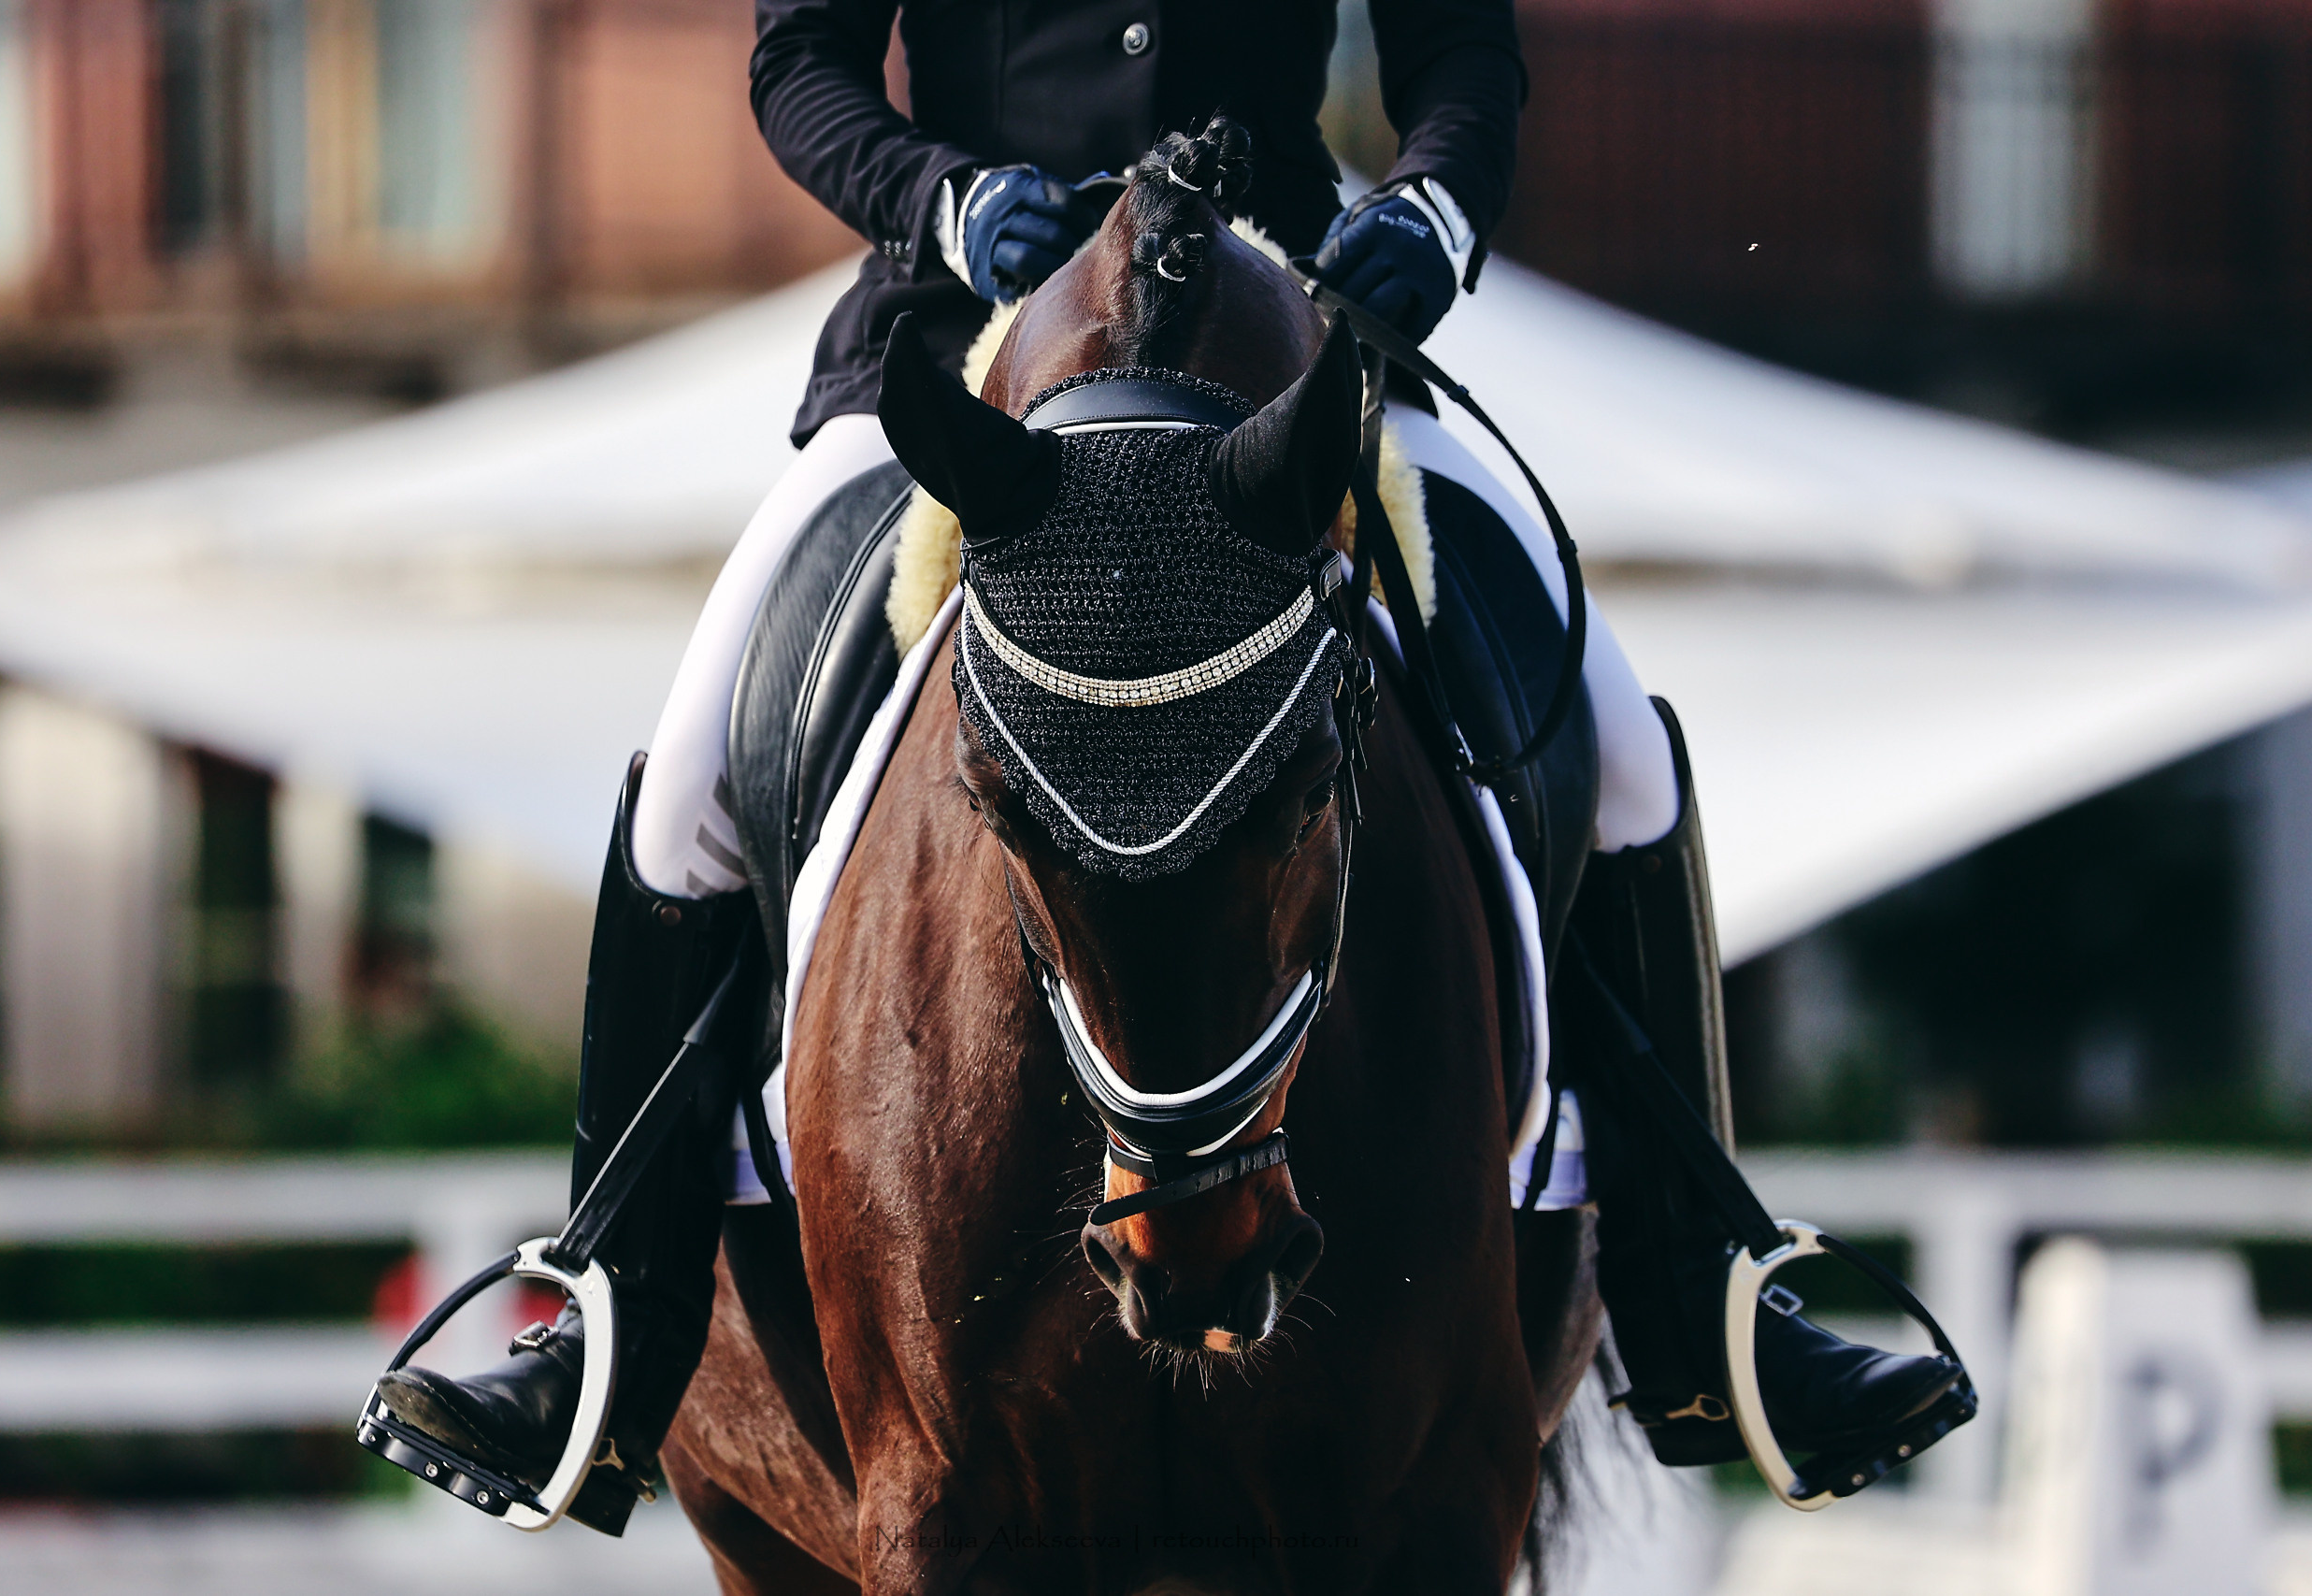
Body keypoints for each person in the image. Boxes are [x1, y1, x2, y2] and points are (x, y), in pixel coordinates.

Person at [371, 0, 1965, 1534]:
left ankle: (1709, 1310)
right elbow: (801, 64)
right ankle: (611, 1316)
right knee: (697, 777)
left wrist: (1435, 213)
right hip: (971, 356)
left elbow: (1461, 51)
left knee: (1621, 749)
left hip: (1278, 343)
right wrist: (948, 199)